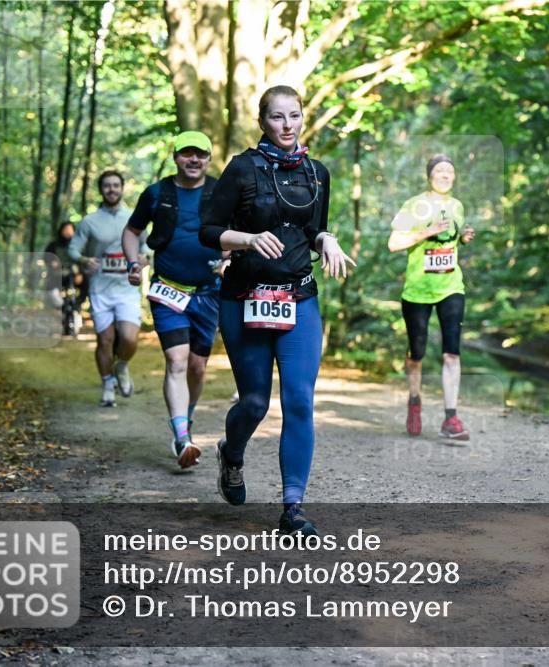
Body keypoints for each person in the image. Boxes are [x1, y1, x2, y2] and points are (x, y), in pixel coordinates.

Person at [200, 85, 355, 535]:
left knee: (300, 403)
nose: (287, 126)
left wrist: (327, 240)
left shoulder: (317, 172)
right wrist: (246, 240)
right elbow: (208, 231)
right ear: (262, 121)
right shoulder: (242, 169)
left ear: (303, 118)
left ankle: (293, 508)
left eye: (294, 116)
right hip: (245, 297)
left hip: (299, 298)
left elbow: (315, 229)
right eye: (276, 117)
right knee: (253, 403)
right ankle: (232, 454)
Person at [124, 131, 225, 469]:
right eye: (186, 154)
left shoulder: (221, 192)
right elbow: (132, 232)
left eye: (200, 154)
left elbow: (238, 235)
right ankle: (182, 437)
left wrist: (230, 261)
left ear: (209, 159)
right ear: (176, 157)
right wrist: (133, 260)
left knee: (197, 367)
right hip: (168, 289)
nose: (193, 160)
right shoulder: (156, 193)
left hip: (210, 293)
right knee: (177, 361)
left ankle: (188, 417)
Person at [387, 154, 475, 440]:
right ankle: (414, 401)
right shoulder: (414, 206)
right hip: (417, 290)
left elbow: (452, 238)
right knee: (417, 353)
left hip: (451, 287)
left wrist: (463, 238)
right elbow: (394, 243)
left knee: (451, 352)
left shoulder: (457, 206)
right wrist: (425, 232)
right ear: (430, 176)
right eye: (440, 170)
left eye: (450, 170)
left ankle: (451, 418)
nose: (446, 175)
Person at [69, 170, 147, 407]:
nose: (111, 189)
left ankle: (121, 365)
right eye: (107, 186)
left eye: (115, 185)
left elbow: (147, 246)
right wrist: (84, 261)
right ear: (100, 190)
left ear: (122, 188)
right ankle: (107, 385)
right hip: (100, 290)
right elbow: (73, 250)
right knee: (105, 340)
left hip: (127, 289)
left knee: (129, 338)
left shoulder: (135, 217)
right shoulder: (89, 221)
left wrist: (144, 258)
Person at [44, 222, 87, 335]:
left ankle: (77, 307)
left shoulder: (78, 245)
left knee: (87, 283)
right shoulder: (54, 245)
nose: (68, 232)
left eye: (70, 229)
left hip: (74, 275)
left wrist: (80, 273)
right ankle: (61, 307)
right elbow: (47, 256)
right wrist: (52, 262)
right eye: (66, 229)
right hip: (57, 276)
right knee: (51, 289)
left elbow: (84, 260)